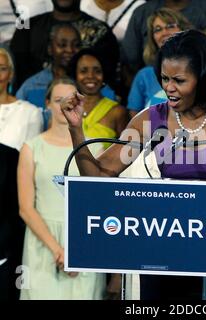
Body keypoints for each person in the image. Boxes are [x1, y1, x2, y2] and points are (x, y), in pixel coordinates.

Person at [61, 29, 206, 299]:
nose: (168, 88)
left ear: (202, 78)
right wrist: (76, 129)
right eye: (164, 78)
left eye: (179, 80)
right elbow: (98, 176)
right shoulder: (151, 120)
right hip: (164, 249)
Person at [17, 77, 106, 300]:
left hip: (85, 242)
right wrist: (58, 250)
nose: (65, 106)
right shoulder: (31, 148)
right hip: (43, 244)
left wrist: (77, 251)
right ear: (47, 103)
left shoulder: (96, 147)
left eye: (70, 100)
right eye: (58, 100)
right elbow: (26, 208)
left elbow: (103, 204)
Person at [0, 47, 43, 300]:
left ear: (12, 74)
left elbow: (31, 162)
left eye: (2, 68)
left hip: (10, 200)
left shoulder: (29, 113)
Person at [10, 0, 119, 91]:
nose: (69, 50)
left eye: (76, 45)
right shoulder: (26, 28)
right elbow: (16, 75)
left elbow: (110, 79)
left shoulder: (101, 30)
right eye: (62, 44)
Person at [127, 7, 192, 117]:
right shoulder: (144, 76)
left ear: (184, 30)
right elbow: (135, 117)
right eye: (158, 29)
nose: (164, 33)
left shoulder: (197, 69)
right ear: (152, 38)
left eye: (170, 26)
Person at [68, 48, 129, 149]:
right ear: (75, 75)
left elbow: (127, 152)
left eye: (97, 71)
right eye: (84, 71)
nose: (91, 76)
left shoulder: (117, 112)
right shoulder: (67, 108)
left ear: (104, 75)